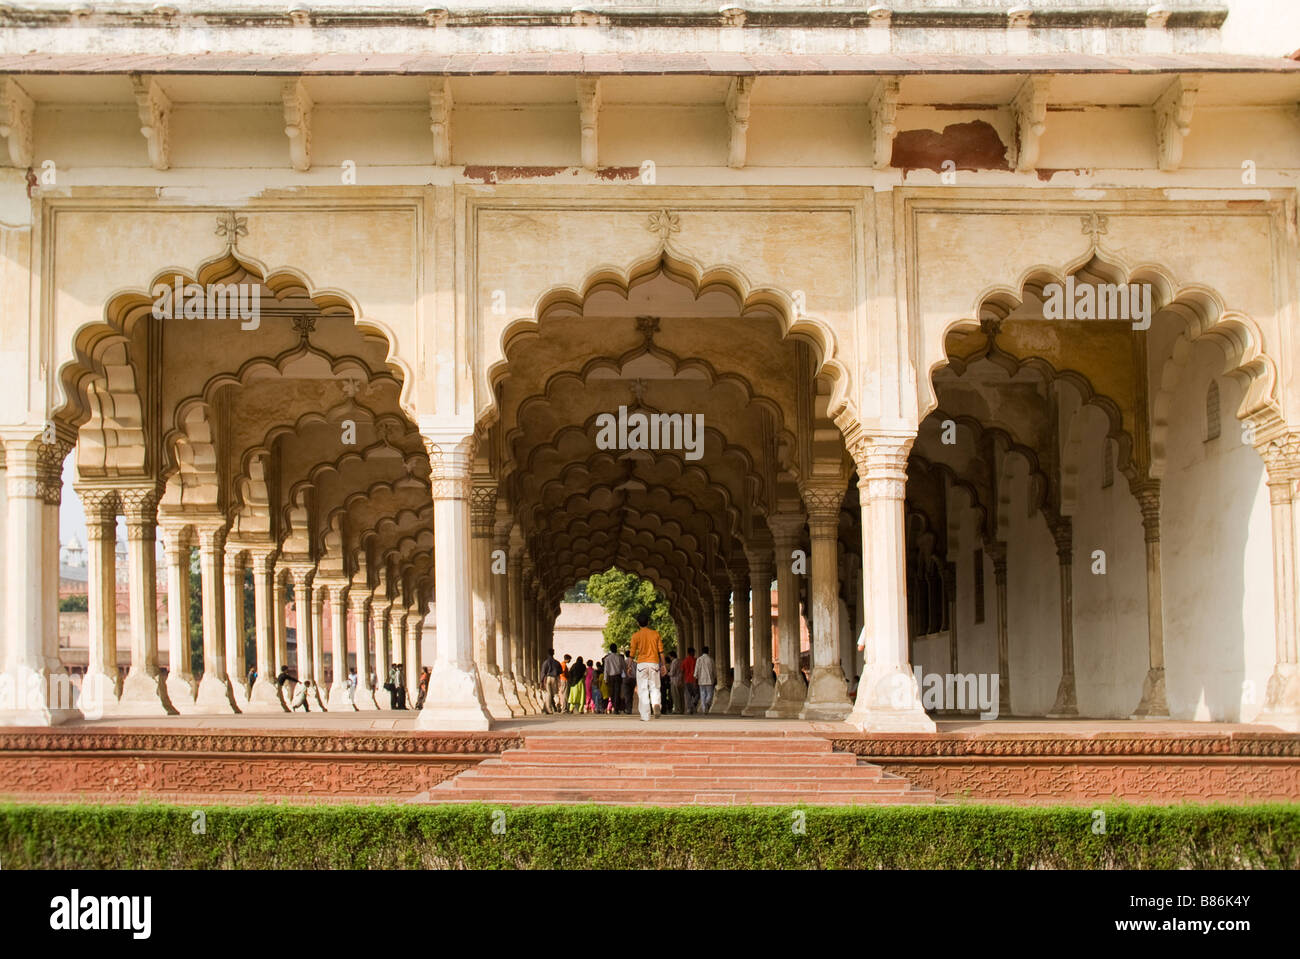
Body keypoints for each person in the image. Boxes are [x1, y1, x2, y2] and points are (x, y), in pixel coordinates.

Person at [629, 610, 665, 721]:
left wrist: (629, 666)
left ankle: (645, 716)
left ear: (638, 623)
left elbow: (632, 653)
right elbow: (661, 652)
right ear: (648, 622)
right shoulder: (655, 634)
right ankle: (656, 704)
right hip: (654, 663)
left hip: (642, 664)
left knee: (642, 689)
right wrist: (663, 665)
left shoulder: (636, 636)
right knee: (655, 687)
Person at [602, 646, 626, 713]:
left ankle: (614, 706)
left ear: (610, 649)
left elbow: (606, 670)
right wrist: (625, 675)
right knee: (617, 692)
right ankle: (616, 708)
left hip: (610, 677)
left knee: (612, 693)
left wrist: (605, 679)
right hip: (618, 676)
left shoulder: (607, 658)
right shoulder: (620, 657)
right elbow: (624, 667)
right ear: (616, 649)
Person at [696, 645, 717, 714]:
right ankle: (707, 702)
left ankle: (704, 708)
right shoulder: (711, 659)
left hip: (701, 680)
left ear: (702, 652)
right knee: (710, 694)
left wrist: (696, 676)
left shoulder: (699, 659)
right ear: (708, 651)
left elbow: (697, 669)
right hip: (709, 679)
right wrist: (715, 676)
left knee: (702, 694)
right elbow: (714, 670)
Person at [540, 649, 562, 713]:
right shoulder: (556, 662)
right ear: (553, 653)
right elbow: (560, 671)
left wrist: (541, 681)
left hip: (548, 678)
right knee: (555, 693)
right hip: (555, 678)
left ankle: (549, 709)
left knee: (548, 694)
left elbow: (543, 672)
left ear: (547, 654)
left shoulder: (546, 662)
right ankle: (558, 704)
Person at [682, 647, 698, 714]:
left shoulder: (685, 661)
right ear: (691, 652)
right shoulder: (696, 660)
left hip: (687, 680)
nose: (694, 653)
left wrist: (682, 680)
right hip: (694, 680)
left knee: (688, 695)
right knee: (696, 694)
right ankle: (693, 705)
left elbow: (682, 671)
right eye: (693, 652)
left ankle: (689, 709)